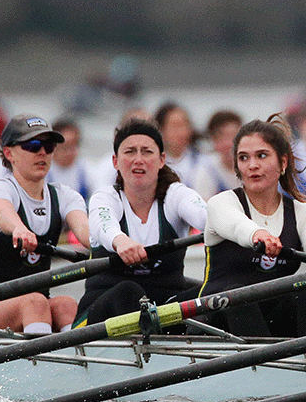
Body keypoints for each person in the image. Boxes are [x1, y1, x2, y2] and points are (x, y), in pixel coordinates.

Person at [184, 114, 306, 337]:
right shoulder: (221, 203)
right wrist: (259, 234)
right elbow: (237, 226)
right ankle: (273, 366)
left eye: (262, 156)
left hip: (270, 323)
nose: (252, 165)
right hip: (214, 326)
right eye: (244, 158)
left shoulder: (302, 213)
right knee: (239, 296)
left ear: (283, 162)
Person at [74, 119, 207, 327]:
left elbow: (207, 218)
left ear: (162, 159)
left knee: (218, 291)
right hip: (98, 315)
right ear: (115, 161)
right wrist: (120, 241)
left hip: (164, 311)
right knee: (129, 292)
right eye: (130, 152)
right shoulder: (105, 197)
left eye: (146, 152)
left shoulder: (176, 195)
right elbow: (103, 224)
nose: (138, 159)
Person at [0, 114, 89, 333]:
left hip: (38, 308)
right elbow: (3, 212)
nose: (42, 152)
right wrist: (19, 229)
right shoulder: (0, 189)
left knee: (67, 304)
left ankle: (74, 362)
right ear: (9, 153)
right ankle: (42, 363)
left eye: (48, 145)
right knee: (34, 301)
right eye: (32, 145)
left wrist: (118, 242)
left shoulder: (65, 196)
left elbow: (86, 232)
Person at [191, 109, 244, 199]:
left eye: (234, 136)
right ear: (213, 141)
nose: (229, 144)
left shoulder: (253, 166)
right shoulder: (206, 170)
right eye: (223, 137)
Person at [46, 119, 97, 199]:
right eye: (65, 147)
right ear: (53, 146)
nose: (70, 152)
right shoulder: (43, 172)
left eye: (74, 146)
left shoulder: (86, 170)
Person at [154, 101, 200, 182]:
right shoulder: (155, 165)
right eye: (175, 126)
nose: (182, 132)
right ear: (161, 130)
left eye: (185, 125)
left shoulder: (202, 162)